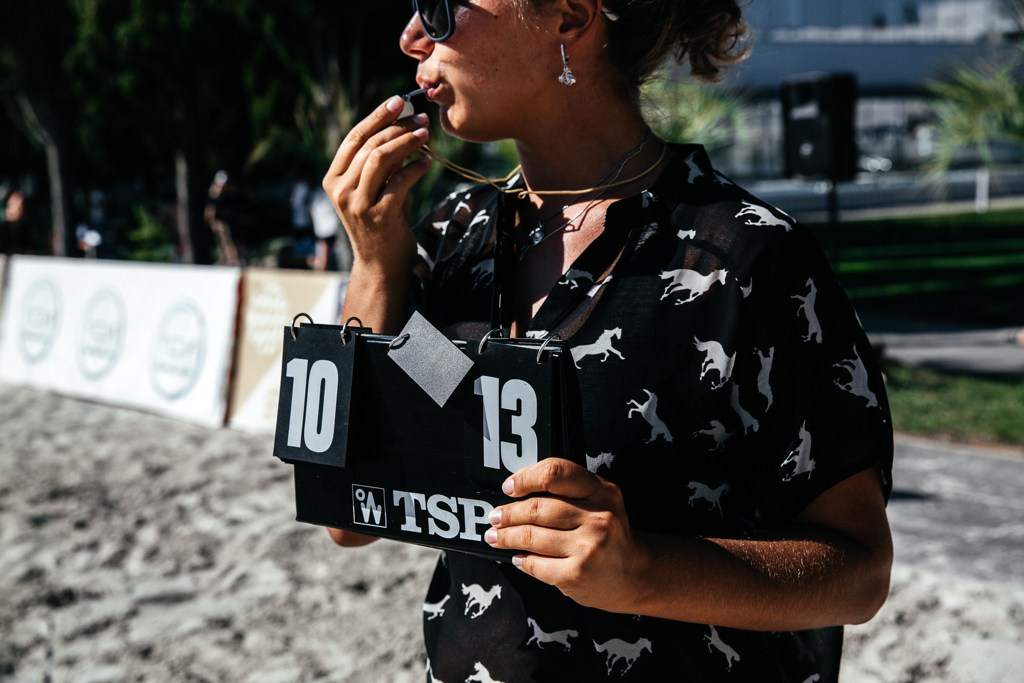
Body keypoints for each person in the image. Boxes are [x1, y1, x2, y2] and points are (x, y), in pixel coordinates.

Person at [322, 1, 893, 680]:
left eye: (443, 8)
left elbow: (860, 572)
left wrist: (641, 570)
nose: (411, 36)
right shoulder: (455, 237)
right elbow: (349, 516)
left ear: (569, 18)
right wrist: (376, 268)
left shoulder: (745, 257)